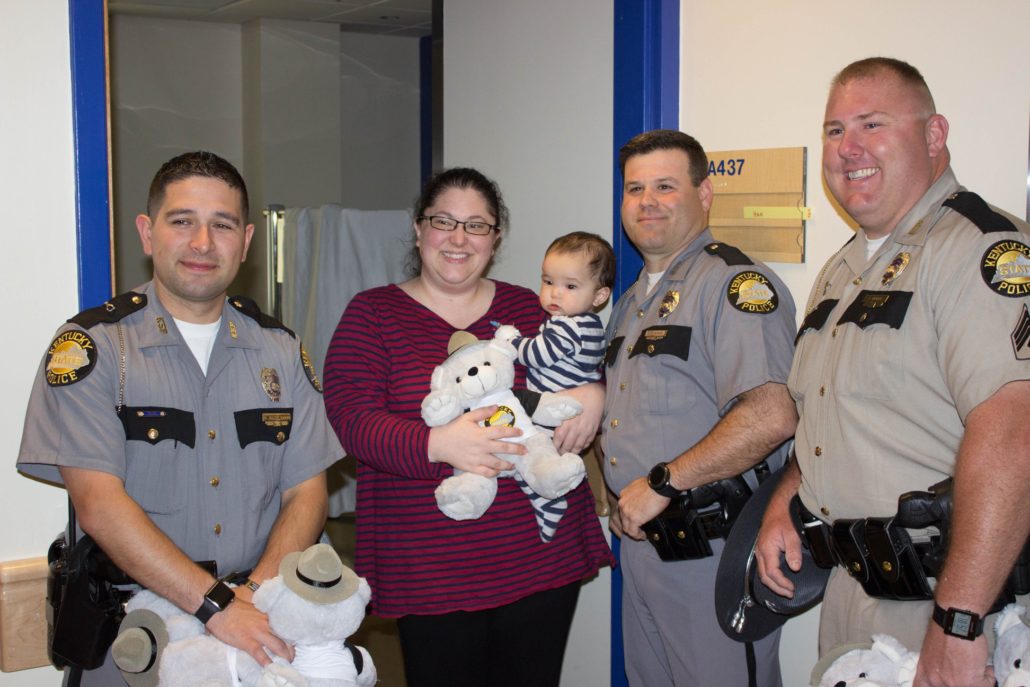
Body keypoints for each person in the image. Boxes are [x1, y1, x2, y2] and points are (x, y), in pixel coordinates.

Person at [754, 57, 1030, 687]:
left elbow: (1016, 434)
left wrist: (960, 623)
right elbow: (830, 413)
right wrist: (786, 500)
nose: (848, 149)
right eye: (833, 131)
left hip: (952, 596)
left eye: (872, 124)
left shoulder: (983, 251)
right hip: (855, 590)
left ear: (934, 136)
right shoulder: (843, 269)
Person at [17, 151, 340, 686]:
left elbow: (306, 493)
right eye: (182, 221)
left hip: (260, 628)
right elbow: (99, 506)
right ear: (147, 233)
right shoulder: (93, 348)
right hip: (135, 636)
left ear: (247, 242)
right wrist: (217, 605)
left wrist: (251, 599)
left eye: (222, 224)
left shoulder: (281, 351)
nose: (202, 243)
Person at [321, 167, 614, 687]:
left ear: (495, 238)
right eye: (443, 221)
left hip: (538, 555)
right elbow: (351, 421)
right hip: (432, 564)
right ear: (418, 228)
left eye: (477, 225)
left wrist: (593, 393)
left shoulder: (529, 307)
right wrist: (438, 442)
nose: (459, 238)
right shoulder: (372, 315)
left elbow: (586, 364)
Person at [602, 129, 798, 686]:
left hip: (713, 550)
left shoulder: (734, 285)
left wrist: (663, 484)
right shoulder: (631, 301)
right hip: (643, 547)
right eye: (635, 188)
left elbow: (771, 415)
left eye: (665, 185)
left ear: (705, 193)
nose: (647, 201)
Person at [495, 231, 613, 541]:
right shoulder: (575, 322)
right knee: (523, 462)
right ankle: (548, 504)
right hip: (555, 408)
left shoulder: (573, 326)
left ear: (599, 297)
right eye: (548, 281)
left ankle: (550, 502)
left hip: (554, 413)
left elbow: (537, 354)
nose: (554, 294)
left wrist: (510, 342)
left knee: (525, 458)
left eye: (570, 286)